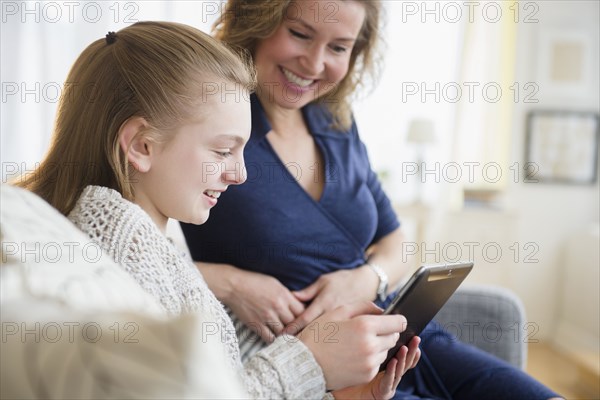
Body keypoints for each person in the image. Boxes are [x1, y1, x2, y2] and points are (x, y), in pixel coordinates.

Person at [15, 21, 421, 399]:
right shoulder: (117, 249)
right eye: (224, 150)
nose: (240, 174)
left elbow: (227, 371)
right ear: (141, 145)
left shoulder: (158, 233)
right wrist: (309, 361)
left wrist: (337, 389)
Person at [180, 1, 563, 399]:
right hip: (327, 370)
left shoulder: (335, 122)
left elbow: (396, 241)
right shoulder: (217, 119)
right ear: (257, 22)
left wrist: (365, 278)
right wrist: (230, 284)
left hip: (405, 339)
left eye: (339, 47)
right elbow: (130, 249)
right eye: (299, 34)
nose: (314, 64)